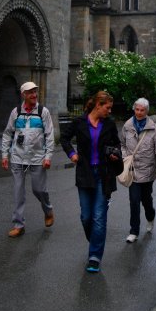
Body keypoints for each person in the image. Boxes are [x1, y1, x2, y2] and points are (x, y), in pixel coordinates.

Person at [59, 90, 123, 273]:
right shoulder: (80, 122)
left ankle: (94, 256)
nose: (109, 111)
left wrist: (113, 153)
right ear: (98, 105)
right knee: (86, 217)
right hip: (85, 174)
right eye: (107, 107)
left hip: (104, 174)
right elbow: (64, 138)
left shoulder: (109, 124)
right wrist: (72, 153)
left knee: (98, 217)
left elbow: (117, 144)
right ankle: (95, 238)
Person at [1, 82, 54, 238]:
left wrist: (48, 156)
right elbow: (7, 134)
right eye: (30, 92)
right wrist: (5, 155)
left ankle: (48, 210)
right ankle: (19, 224)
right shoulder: (16, 112)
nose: (34, 95)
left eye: (35, 92)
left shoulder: (43, 112)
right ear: (23, 94)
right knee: (18, 192)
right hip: (18, 157)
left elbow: (49, 135)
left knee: (39, 190)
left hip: (38, 158)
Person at [120, 97, 156, 242]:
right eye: (137, 109)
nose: (139, 112)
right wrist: (125, 157)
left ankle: (150, 216)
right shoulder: (127, 125)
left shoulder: (153, 128)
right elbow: (122, 144)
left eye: (142, 110)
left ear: (147, 111)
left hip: (148, 170)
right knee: (134, 200)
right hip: (133, 170)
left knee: (146, 200)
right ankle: (134, 231)